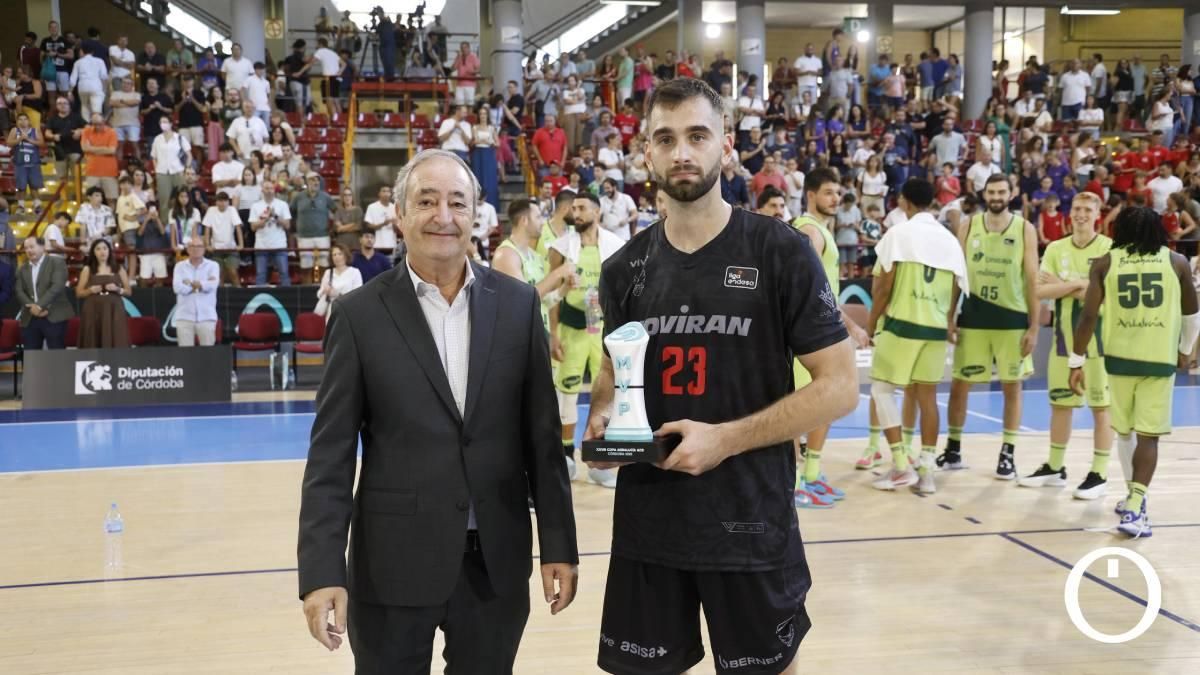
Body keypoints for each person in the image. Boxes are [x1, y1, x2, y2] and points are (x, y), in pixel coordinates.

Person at [586, 77, 857, 675]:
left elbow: (840, 385)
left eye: (697, 135)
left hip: (750, 522)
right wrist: (603, 418)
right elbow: (612, 366)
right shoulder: (623, 268)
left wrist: (726, 438)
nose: (682, 151)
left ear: (725, 146)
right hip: (650, 525)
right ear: (646, 153)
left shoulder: (780, 251)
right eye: (666, 138)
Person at [297, 149, 579, 670]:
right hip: (392, 565)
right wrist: (321, 571)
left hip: (495, 564)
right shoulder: (358, 315)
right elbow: (330, 456)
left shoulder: (518, 307)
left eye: (457, 202)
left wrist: (559, 543)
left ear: (476, 215)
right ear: (399, 215)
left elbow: (542, 440)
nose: (442, 216)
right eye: (426, 201)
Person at [1070, 206, 1198, 538]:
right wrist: (1185, 351)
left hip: (1119, 359)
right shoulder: (1176, 262)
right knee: (1148, 436)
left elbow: (1087, 319)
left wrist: (1075, 360)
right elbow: (1192, 315)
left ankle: (1134, 498)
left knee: (1125, 433)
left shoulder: (1106, 263)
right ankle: (1137, 504)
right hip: (1159, 360)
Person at [868, 178, 968, 493]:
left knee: (882, 392)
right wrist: (948, 321)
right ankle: (926, 471)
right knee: (928, 398)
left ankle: (900, 465)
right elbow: (956, 286)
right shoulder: (949, 240)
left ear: (903, 201)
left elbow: (884, 286)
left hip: (902, 325)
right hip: (936, 329)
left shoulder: (899, 234)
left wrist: (871, 324)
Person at [940, 174, 1039, 478]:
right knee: (960, 384)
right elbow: (958, 272)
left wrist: (1034, 326)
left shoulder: (1025, 228)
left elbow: (1033, 279)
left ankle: (1007, 454)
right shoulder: (969, 225)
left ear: (1011, 194)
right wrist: (949, 314)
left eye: (1001, 192)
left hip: (1011, 318)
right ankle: (953, 448)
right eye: (991, 191)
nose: (996, 196)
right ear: (984, 194)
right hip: (974, 315)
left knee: (1012, 387)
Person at [1018, 192, 1113, 499]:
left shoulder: (1109, 249)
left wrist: (1063, 285)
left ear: (1098, 215)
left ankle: (1099, 474)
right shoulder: (1057, 247)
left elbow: (1105, 295)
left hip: (1098, 344)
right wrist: (1081, 285)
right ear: (1069, 213)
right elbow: (1040, 288)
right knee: (1060, 405)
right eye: (1076, 208)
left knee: (1101, 408)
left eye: (1087, 209)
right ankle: (1055, 467)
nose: (1081, 214)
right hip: (1063, 342)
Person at [789, 168, 871, 508]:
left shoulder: (821, 229)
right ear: (810, 194)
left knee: (824, 407)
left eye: (838, 192)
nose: (836, 198)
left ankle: (812, 475)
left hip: (821, 331)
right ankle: (793, 482)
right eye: (828, 192)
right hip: (808, 334)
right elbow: (811, 287)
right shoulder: (809, 230)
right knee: (797, 412)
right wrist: (850, 325)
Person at [546, 191, 625, 486]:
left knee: (606, 395)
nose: (575, 212)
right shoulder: (560, 247)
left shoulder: (617, 246)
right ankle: (567, 457)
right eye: (573, 208)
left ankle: (601, 462)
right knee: (566, 395)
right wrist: (553, 333)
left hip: (603, 330)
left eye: (581, 208)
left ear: (597, 212)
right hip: (571, 327)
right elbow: (552, 297)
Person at [492, 198, 574, 334]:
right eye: (538, 217)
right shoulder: (506, 254)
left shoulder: (535, 256)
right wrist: (557, 273)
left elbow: (543, 301)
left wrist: (564, 289)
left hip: (539, 331)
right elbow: (524, 299)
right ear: (524, 220)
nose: (542, 222)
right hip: (517, 335)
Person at [15, 237, 74, 349]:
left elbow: (57, 286)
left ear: (42, 247)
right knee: (31, 356)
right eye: (26, 248)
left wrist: (39, 306)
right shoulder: (22, 268)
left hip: (54, 315)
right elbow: (19, 291)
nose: (28, 250)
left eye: (32, 247)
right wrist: (33, 307)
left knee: (57, 355)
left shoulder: (57, 262)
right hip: (30, 317)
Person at [76, 239, 132, 348]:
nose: (102, 252)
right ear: (94, 252)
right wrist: (90, 290)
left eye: (105, 248)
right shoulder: (87, 269)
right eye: (98, 249)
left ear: (109, 251)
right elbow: (78, 293)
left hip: (114, 309)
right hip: (93, 309)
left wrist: (117, 289)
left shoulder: (119, 268)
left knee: (117, 339)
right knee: (93, 340)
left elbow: (129, 291)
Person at [172, 238, 220, 346]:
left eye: (199, 246)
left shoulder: (213, 265)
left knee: (208, 354)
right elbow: (177, 288)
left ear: (204, 249)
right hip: (184, 317)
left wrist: (190, 284)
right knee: (185, 355)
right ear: (188, 249)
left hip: (207, 316)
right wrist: (201, 285)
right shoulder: (179, 266)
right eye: (193, 246)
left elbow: (212, 285)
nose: (196, 249)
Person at [250, 180, 292, 286]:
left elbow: (287, 225)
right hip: (261, 246)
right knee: (261, 275)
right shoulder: (255, 206)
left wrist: (275, 216)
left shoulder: (282, 204)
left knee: (284, 274)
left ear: (274, 190)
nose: (269, 191)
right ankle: (259, 300)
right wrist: (265, 219)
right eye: (267, 188)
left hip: (279, 245)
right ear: (262, 190)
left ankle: (288, 300)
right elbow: (253, 227)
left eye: (271, 188)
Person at [292, 173, 337, 272]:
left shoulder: (325, 197)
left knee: (324, 265)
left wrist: (333, 228)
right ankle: (307, 288)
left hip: (323, 236)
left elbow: (336, 211)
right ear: (307, 182)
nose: (316, 182)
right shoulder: (298, 197)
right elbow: (292, 213)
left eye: (317, 180)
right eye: (312, 180)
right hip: (304, 237)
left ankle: (323, 287)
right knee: (305, 266)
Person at [203, 191, 245, 287]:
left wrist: (241, 244)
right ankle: (219, 300)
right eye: (220, 201)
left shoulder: (232, 210)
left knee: (233, 273)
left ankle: (241, 296)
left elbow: (238, 227)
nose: (222, 203)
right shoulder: (211, 210)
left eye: (224, 201)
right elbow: (207, 229)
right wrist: (207, 245)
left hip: (231, 248)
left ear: (228, 202)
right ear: (216, 202)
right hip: (216, 249)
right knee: (217, 277)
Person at [6, 112, 45, 213]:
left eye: (25, 119)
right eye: (20, 119)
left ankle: (37, 206)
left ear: (29, 121)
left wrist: (28, 139)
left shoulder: (35, 130)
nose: (23, 121)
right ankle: (21, 206)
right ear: (17, 122)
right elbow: (9, 143)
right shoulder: (14, 130)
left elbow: (41, 143)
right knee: (21, 186)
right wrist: (20, 139)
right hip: (20, 164)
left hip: (33, 163)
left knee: (34, 186)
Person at [44, 95, 85, 186]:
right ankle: (63, 198)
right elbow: (47, 133)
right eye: (59, 103)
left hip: (75, 150)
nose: (62, 105)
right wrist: (53, 136)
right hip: (59, 151)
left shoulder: (77, 117)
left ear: (69, 105)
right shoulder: (52, 119)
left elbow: (88, 128)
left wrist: (80, 131)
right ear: (56, 106)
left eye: (65, 103)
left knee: (77, 175)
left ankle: (78, 197)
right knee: (61, 177)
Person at [314, 244, 362, 321]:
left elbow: (358, 294)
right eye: (334, 255)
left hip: (348, 310)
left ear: (346, 255)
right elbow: (319, 294)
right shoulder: (328, 272)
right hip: (331, 311)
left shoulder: (355, 272)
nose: (337, 257)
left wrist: (338, 294)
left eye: (340, 254)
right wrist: (325, 291)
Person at [151, 119, 191, 210]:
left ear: (171, 123)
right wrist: (157, 170)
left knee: (182, 198)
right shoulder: (157, 139)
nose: (163, 124)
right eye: (161, 122)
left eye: (165, 122)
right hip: (162, 172)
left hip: (179, 171)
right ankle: (165, 223)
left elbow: (189, 155)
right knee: (164, 200)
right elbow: (154, 157)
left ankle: (182, 221)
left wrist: (186, 169)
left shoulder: (180, 138)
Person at [69, 46, 107, 120]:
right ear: (92, 52)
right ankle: (96, 127)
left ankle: (86, 127)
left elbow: (72, 80)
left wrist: (69, 92)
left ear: (82, 52)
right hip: (96, 86)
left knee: (85, 107)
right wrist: (104, 90)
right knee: (96, 110)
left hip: (83, 86)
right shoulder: (100, 61)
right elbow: (104, 77)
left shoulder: (78, 62)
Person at [138, 202, 171, 287]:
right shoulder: (142, 222)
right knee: (144, 278)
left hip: (159, 253)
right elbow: (140, 233)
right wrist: (146, 220)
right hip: (146, 253)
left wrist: (157, 219)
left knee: (160, 277)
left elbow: (163, 232)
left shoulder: (160, 222)